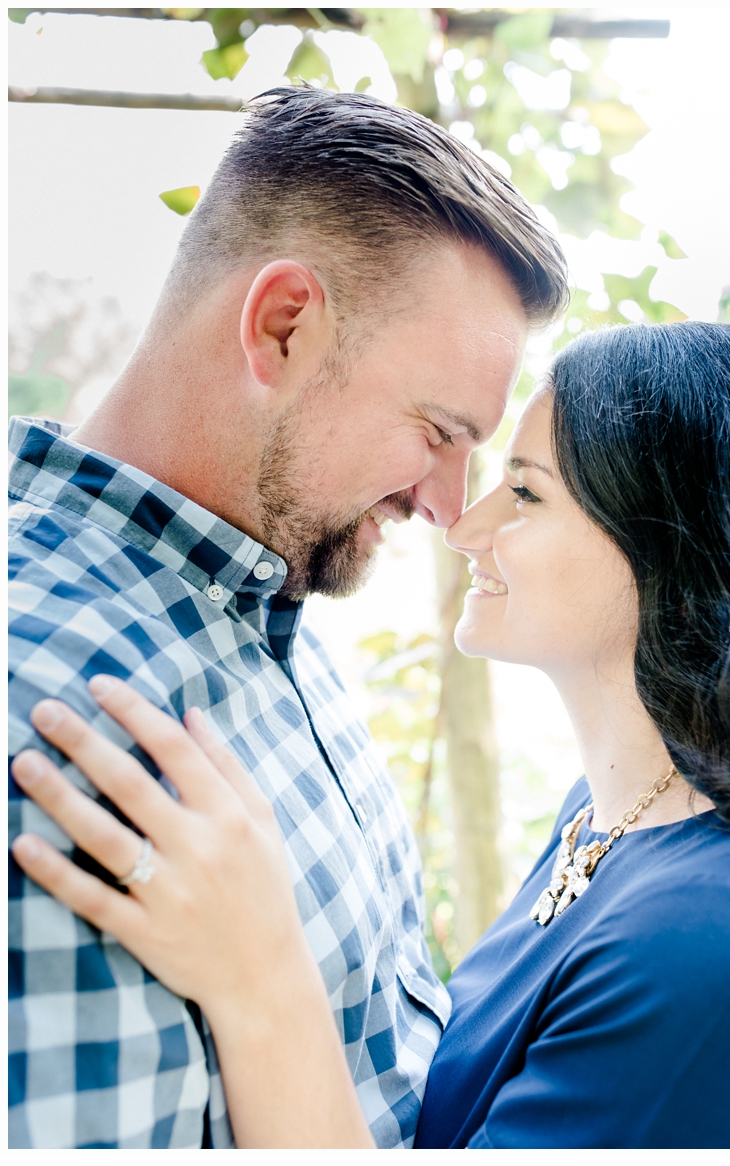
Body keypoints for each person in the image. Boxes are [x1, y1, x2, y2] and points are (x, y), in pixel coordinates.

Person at [12, 322, 730, 1148]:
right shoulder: (601, 816)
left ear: (665, 547)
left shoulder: (705, 947)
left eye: (525, 494)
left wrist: (260, 978)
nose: (462, 527)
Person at [7, 86, 568, 1148]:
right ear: (283, 325)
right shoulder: (52, 730)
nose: (451, 507)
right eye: (439, 431)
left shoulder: (267, 607)